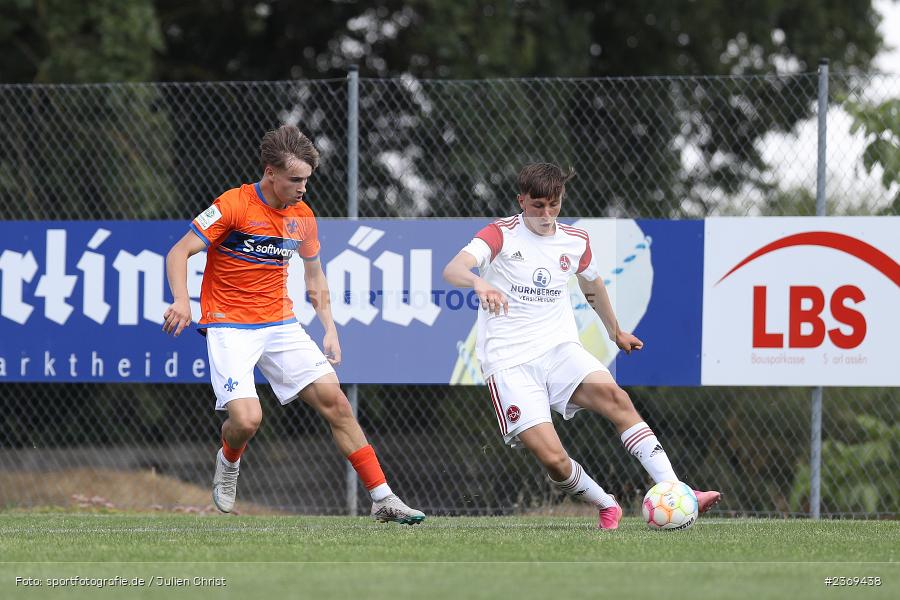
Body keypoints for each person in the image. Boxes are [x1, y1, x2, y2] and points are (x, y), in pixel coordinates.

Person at [162, 125, 424, 525]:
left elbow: (314, 276)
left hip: (281, 323)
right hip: (230, 325)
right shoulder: (233, 204)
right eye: (295, 180)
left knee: (336, 401)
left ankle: (383, 498)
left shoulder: (302, 216)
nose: (303, 188)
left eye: (307, 180)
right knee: (247, 420)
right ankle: (229, 458)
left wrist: (329, 328)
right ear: (270, 173)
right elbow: (179, 252)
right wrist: (182, 301)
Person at [442, 163, 719, 529]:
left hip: (559, 349)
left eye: (553, 205)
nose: (546, 214)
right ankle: (606, 503)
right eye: (537, 205)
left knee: (617, 400)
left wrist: (615, 332)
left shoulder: (575, 240)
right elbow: (453, 268)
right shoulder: (500, 234)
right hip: (509, 363)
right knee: (554, 460)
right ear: (521, 200)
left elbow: (592, 284)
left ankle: (676, 488)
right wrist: (479, 284)